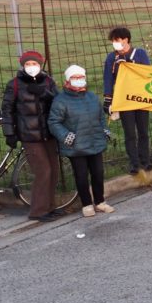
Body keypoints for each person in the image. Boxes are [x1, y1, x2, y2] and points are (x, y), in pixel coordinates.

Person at [48, 65, 114, 218]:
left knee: (98, 173)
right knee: (81, 175)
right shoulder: (60, 100)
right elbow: (53, 122)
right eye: (75, 78)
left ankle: (100, 202)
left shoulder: (92, 97)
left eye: (81, 77)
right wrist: (67, 136)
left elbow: (100, 117)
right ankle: (86, 204)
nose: (78, 80)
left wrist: (104, 130)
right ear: (67, 81)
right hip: (76, 146)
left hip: (95, 142)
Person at [2, 50, 60, 221]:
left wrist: (44, 93)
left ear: (40, 65)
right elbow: (7, 110)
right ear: (22, 66)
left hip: (48, 134)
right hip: (29, 136)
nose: (31, 67)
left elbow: (58, 102)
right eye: (28, 64)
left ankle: (50, 207)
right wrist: (9, 133)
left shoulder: (48, 82)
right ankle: (38, 211)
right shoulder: (14, 84)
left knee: (54, 171)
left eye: (34, 64)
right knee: (43, 171)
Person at [102, 27, 152, 175]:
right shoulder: (112, 58)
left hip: (141, 99)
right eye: (113, 41)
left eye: (117, 40)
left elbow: (147, 73)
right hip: (124, 100)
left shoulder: (140, 53)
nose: (115, 43)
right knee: (129, 133)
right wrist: (108, 99)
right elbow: (108, 78)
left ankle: (146, 160)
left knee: (143, 131)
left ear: (126, 40)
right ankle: (134, 163)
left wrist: (130, 64)